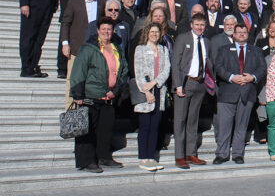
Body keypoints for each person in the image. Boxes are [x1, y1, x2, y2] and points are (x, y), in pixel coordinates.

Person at [69, 17, 129, 173]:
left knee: (105, 129)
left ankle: (104, 156)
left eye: (109, 29)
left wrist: (115, 90)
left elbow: (123, 71)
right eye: (103, 29)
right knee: (87, 130)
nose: (106, 32)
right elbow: (78, 71)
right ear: (97, 31)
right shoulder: (89, 48)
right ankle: (87, 160)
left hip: (109, 97)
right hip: (91, 95)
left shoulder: (116, 48)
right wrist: (77, 93)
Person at [213, 23, 265, 164]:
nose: (242, 34)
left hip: (247, 93)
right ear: (233, 35)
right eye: (239, 32)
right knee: (224, 126)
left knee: (241, 126)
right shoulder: (224, 50)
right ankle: (222, 154)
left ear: (248, 35)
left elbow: (262, 68)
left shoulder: (256, 51)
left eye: (244, 32)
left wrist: (252, 77)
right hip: (228, 92)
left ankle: (237, 153)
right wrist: (232, 77)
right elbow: (218, 67)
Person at [171, 13, 212, 169]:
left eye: (202, 25)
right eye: (197, 24)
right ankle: (180, 156)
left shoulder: (206, 41)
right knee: (180, 120)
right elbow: (175, 62)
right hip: (185, 83)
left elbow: (209, 63)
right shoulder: (183, 38)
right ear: (191, 25)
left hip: (199, 84)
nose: (199, 27)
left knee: (193, 121)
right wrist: (178, 85)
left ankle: (191, 153)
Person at [60, 0, 105, 108]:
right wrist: (65, 43)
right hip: (76, 47)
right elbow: (65, 23)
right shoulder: (74, 2)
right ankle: (70, 108)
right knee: (72, 78)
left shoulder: (101, 3)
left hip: (93, 49)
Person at [133, 23, 171, 171]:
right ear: (147, 33)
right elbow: (139, 70)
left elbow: (166, 69)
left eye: (157, 32)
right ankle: (143, 158)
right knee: (145, 126)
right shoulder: (140, 49)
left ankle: (151, 157)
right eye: (152, 32)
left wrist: (155, 82)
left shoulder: (163, 49)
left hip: (159, 90)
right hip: (145, 91)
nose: (155, 34)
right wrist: (146, 90)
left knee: (155, 126)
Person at [57, 0, 98, 78]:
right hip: (72, 13)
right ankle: (62, 68)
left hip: (89, 14)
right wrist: (65, 14)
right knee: (66, 40)